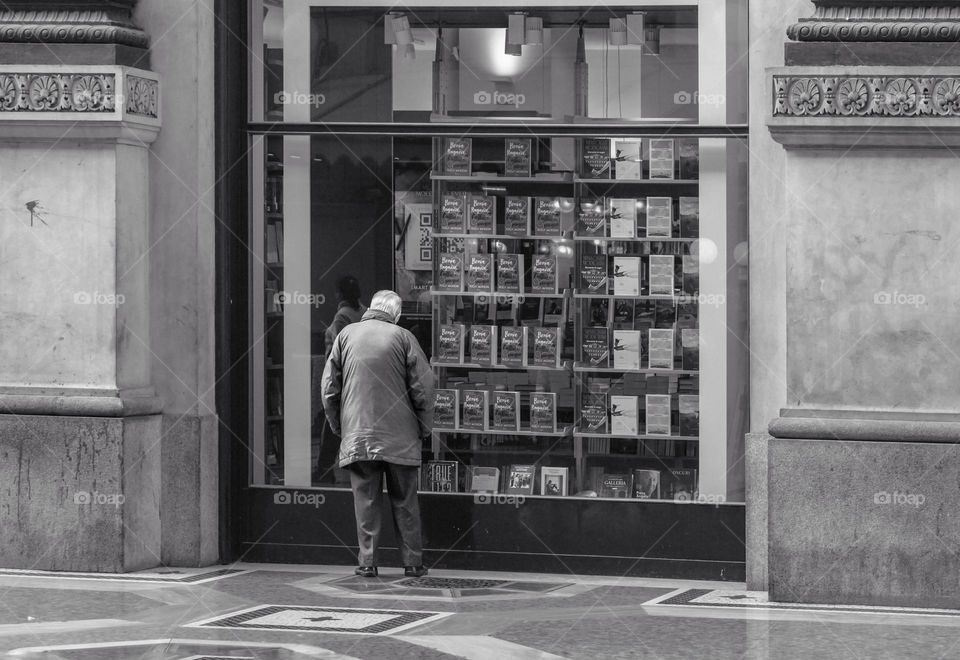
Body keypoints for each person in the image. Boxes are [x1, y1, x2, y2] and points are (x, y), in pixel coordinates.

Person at [321, 290, 434, 578]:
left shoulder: (346, 335)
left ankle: (367, 562)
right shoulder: (404, 337)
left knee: (365, 500)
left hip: (359, 433)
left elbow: (329, 390)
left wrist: (340, 427)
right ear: (395, 314)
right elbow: (424, 389)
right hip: (401, 435)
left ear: (371, 308)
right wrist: (423, 427)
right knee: (405, 500)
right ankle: (413, 563)